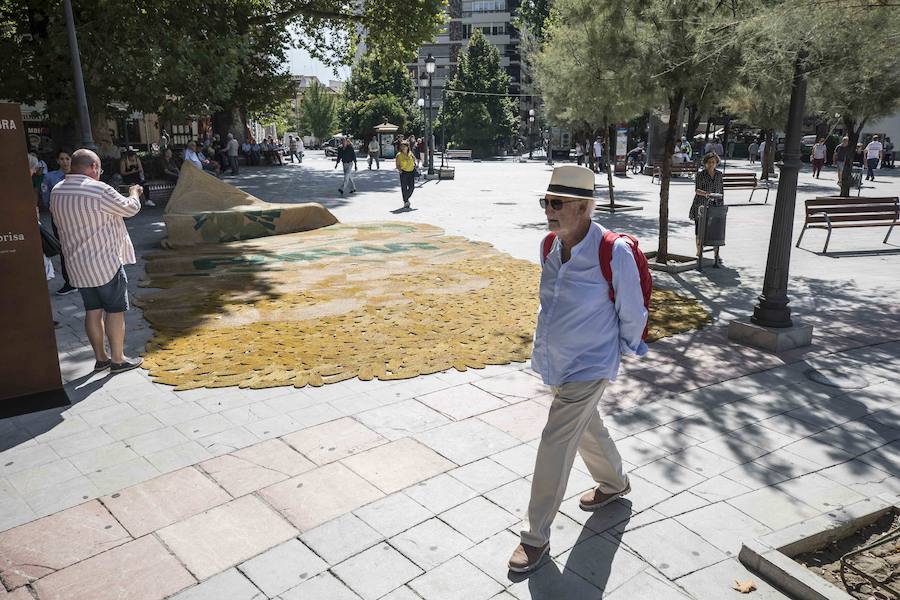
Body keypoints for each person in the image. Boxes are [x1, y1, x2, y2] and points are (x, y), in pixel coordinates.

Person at [508, 164, 647, 573]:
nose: (548, 210)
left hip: (590, 363)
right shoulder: (549, 244)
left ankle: (535, 537)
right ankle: (615, 483)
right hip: (558, 362)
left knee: (556, 439)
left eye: (558, 203)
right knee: (587, 428)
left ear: (585, 207)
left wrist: (615, 354)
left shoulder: (613, 251)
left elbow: (632, 310)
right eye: (546, 201)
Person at [49, 149, 143, 374]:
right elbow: (130, 209)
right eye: (99, 169)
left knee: (92, 310)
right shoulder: (98, 189)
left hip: (77, 265)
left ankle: (101, 358)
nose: (99, 173)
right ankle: (118, 359)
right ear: (93, 167)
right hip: (105, 262)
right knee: (115, 310)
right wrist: (134, 192)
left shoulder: (57, 190)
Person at [42, 151, 77, 296]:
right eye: (61, 159)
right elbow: (45, 199)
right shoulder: (50, 177)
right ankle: (70, 282)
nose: (65, 162)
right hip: (60, 220)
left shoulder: (79, 176)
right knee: (64, 250)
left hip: (79, 218)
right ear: (57, 160)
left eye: (67, 158)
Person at [690, 152, 725, 238]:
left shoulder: (719, 175)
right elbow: (697, 190)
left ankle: (715, 250)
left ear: (716, 163)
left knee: (713, 229)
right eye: (709, 162)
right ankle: (698, 250)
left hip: (715, 205)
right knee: (699, 230)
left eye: (713, 162)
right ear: (705, 163)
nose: (711, 164)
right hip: (701, 204)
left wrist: (721, 204)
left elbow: (721, 190)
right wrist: (707, 194)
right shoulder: (700, 175)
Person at [396, 139, 416, 209]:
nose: (403, 148)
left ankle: (406, 198)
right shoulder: (399, 155)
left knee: (412, 187)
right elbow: (397, 165)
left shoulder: (410, 153)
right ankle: (406, 201)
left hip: (411, 172)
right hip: (403, 172)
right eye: (402, 146)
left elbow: (414, 160)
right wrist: (400, 171)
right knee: (404, 188)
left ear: (408, 147)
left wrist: (415, 166)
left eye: (405, 146)